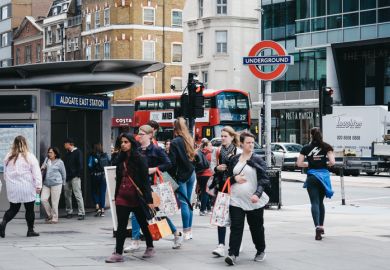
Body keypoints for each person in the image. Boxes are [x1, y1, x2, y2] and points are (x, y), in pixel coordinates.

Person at [124, 125, 183, 252]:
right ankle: (135, 241)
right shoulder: (137, 150)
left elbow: (168, 164)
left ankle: (176, 234)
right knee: (135, 212)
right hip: (139, 186)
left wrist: (154, 169)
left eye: (142, 133)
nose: (139, 135)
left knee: (158, 213)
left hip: (153, 186)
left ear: (150, 135)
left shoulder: (157, 150)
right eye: (138, 133)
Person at [105, 133, 155, 263]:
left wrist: (149, 200)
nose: (123, 144)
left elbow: (145, 181)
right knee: (121, 226)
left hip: (137, 198)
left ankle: (150, 246)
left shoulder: (140, 158)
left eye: (126, 142)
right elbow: (118, 178)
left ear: (132, 143)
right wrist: (115, 196)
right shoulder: (120, 159)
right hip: (122, 196)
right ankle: (118, 253)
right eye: (121, 142)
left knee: (143, 223)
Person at [224, 131, 270, 266]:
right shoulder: (234, 159)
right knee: (236, 227)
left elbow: (264, 179)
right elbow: (226, 178)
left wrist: (257, 194)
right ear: (241, 144)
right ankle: (232, 254)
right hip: (236, 199)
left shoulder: (257, 159)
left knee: (256, 227)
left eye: (252, 143)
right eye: (248, 143)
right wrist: (234, 178)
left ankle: (260, 250)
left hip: (253, 200)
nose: (251, 145)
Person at [296, 127, 335, 241]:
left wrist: (310, 164)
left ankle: (317, 226)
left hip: (312, 177)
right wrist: (324, 164)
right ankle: (322, 226)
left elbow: (299, 163)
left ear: (310, 135)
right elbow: (332, 162)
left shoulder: (306, 148)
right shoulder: (327, 147)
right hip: (323, 177)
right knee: (321, 202)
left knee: (314, 202)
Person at [0, 136, 42, 237]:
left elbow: (5, 174)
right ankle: (30, 230)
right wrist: (38, 185)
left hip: (13, 187)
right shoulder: (29, 156)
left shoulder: (8, 157)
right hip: (27, 186)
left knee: (13, 209)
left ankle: (3, 223)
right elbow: (36, 172)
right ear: (25, 144)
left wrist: (11, 183)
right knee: (29, 209)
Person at [209, 126, 241, 257]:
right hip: (221, 186)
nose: (222, 138)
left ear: (232, 137)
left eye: (225, 136)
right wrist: (217, 168)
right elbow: (211, 167)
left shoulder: (238, 151)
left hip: (235, 187)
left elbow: (242, 170)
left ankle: (236, 242)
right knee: (220, 215)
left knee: (235, 217)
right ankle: (221, 245)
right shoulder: (217, 151)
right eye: (221, 136)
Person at [168, 117, 196, 240]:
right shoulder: (189, 139)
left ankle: (185, 231)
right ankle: (189, 231)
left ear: (175, 128)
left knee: (184, 203)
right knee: (189, 202)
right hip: (191, 173)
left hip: (181, 175)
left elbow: (172, 163)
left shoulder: (175, 142)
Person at [41, 147, 66, 224]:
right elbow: (43, 167)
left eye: (51, 152)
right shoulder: (47, 160)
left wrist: (63, 183)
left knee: (54, 202)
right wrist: (42, 167)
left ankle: (55, 218)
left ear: (55, 154)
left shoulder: (60, 162)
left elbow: (63, 173)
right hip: (46, 183)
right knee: (43, 199)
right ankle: (50, 215)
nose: (49, 154)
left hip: (56, 184)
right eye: (48, 152)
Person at [63, 138, 85, 220]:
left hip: (75, 177)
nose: (64, 145)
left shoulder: (78, 152)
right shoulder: (67, 154)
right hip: (67, 177)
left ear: (70, 144)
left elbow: (80, 165)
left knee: (78, 194)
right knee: (67, 195)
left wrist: (78, 175)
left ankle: (82, 213)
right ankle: (69, 212)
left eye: (65, 144)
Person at [88, 142, 110, 217]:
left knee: (94, 191)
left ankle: (97, 207)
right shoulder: (105, 155)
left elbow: (90, 165)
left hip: (95, 176)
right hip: (103, 176)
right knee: (102, 192)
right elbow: (109, 163)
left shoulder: (92, 156)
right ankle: (103, 209)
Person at [196, 138, 213, 216]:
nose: (211, 147)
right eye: (210, 145)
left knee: (204, 192)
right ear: (205, 147)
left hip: (200, 175)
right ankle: (202, 210)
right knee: (205, 192)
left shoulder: (200, 153)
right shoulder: (209, 154)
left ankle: (208, 209)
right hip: (207, 175)